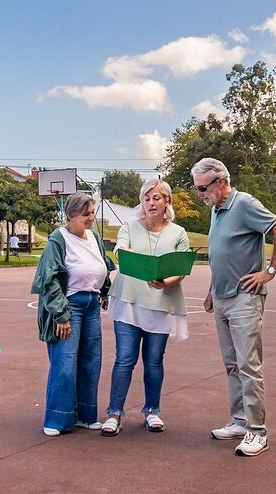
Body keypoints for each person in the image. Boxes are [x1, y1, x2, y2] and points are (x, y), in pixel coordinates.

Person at [192, 157, 276, 457]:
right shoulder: (216, 210)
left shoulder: (245, 203)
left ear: (220, 181)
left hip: (244, 298)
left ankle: (257, 431)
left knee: (249, 366)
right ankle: (239, 421)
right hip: (222, 297)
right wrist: (211, 289)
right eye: (197, 188)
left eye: (202, 188)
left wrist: (269, 272)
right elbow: (222, 253)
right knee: (232, 364)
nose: (200, 194)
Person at [100, 179, 190, 437]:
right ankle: (114, 413)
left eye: (157, 198)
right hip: (128, 302)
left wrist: (166, 281)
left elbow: (182, 268)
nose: (151, 203)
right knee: (124, 359)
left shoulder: (178, 233)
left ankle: (152, 411)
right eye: (147, 198)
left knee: (153, 362)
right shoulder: (128, 227)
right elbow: (122, 253)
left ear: (167, 202)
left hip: (161, 304)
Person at [31, 193, 115, 436]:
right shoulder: (58, 239)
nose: (91, 218)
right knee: (65, 362)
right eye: (86, 214)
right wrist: (61, 315)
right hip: (69, 305)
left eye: (92, 213)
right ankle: (57, 420)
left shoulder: (95, 238)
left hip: (90, 305)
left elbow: (103, 268)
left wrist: (104, 292)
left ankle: (86, 415)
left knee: (91, 361)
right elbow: (49, 280)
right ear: (71, 215)